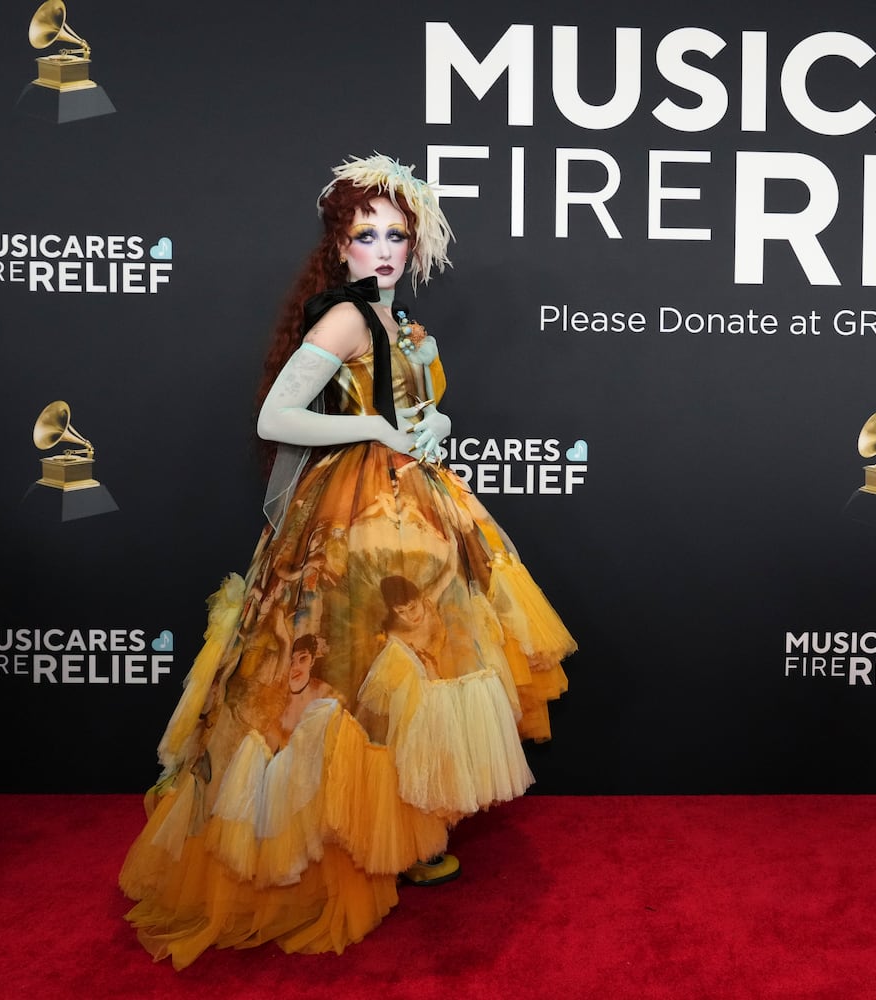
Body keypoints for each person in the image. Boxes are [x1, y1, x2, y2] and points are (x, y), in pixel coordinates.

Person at [118, 153, 574, 969]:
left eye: (398, 235)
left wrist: (431, 428)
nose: (385, 249)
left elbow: (413, 404)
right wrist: (375, 431)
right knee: (345, 674)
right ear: (340, 248)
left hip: (414, 508)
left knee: (412, 672)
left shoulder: (395, 323)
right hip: (354, 519)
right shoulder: (347, 320)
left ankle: (406, 833)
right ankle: (344, 846)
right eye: (368, 235)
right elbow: (278, 414)